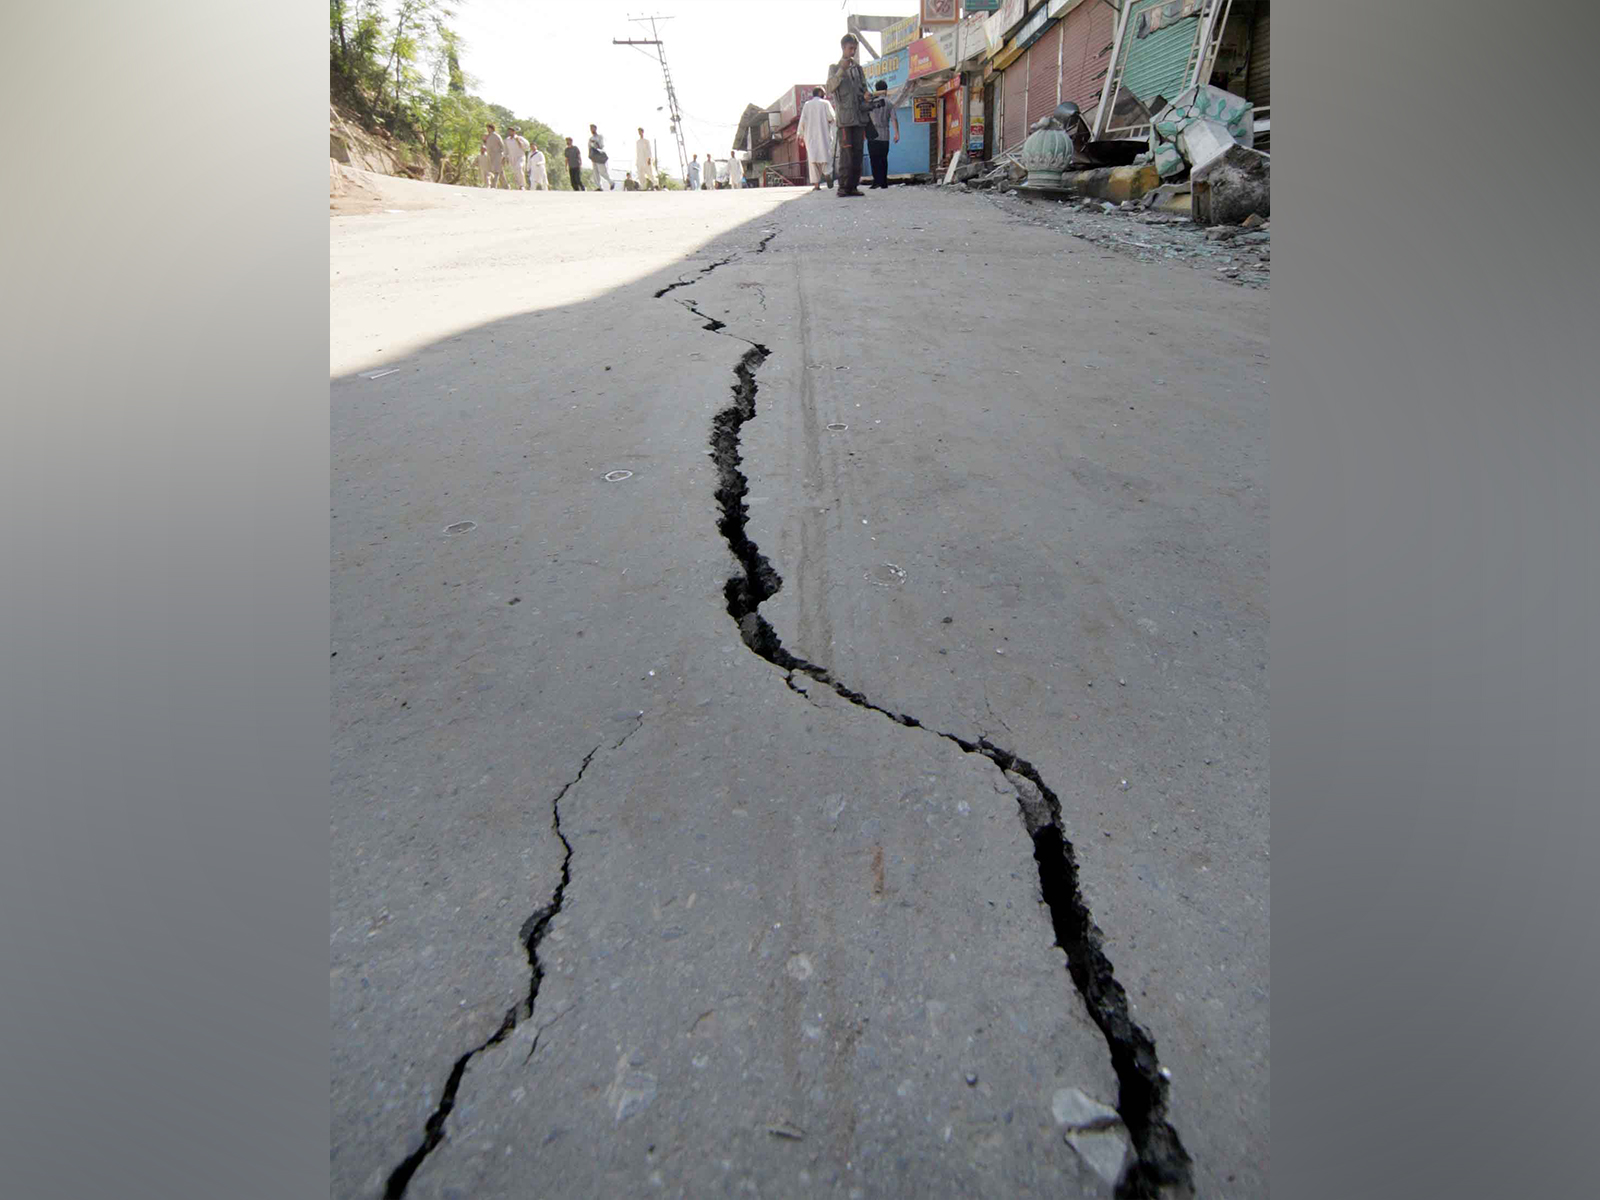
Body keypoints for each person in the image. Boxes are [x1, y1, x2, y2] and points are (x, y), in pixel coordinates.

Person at [826, 34, 869, 198]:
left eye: (855, 49)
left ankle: (853, 186)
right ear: (843, 48)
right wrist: (841, 70)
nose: (853, 51)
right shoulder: (834, 68)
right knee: (846, 154)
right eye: (850, 48)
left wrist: (866, 95)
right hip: (844, 119)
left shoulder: (858, 69)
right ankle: (843, 187)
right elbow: (829, 87)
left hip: (859, 118)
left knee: (858, 153)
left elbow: (863, 88)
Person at [798, 86, 836, 191]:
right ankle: (828, 174)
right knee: (826, 157)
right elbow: (832, 118)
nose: (824, 95)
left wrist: (800, 136)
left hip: (810, 137)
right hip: (823, 136)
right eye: (823, 92)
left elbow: (802, 122)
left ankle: (816, 185)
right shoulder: (825, 103)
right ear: (819, 93)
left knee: (813, 161)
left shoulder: (807, 105)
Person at [866, 81, 899, 190]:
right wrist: (896, 133)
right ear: (886, 89)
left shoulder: (871, 102)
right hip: (885, 135)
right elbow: (894, 119)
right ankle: (884, 182)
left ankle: (876, 182)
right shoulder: (889, 103)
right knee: (883, 159)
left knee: (874, 159)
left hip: (872, 135)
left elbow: (865, 118)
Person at [482, 122, 507, 188]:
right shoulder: (487, 136)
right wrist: (484, 140)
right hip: (491, 155)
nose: (487, 129)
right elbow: (485, 145)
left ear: (492, 128)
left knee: (496, 170)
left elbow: (502, 146)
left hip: (498, 154)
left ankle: (494, 185)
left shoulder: (496, 135)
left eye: (488, 128)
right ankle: (506, 186)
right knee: (500, 170)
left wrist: (503, 155)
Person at [587, 125, 612, 191]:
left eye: (593, 128)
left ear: (595, 128)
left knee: (602, 171)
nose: (592, 130)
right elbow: (589, 147)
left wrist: (595, 143)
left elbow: (601, 146)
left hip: (599, 155)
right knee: (595, 172)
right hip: (593, 156)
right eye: (591, 129)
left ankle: (611, 182)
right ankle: (599, 186)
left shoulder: (599, 137)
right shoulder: (590, 138)